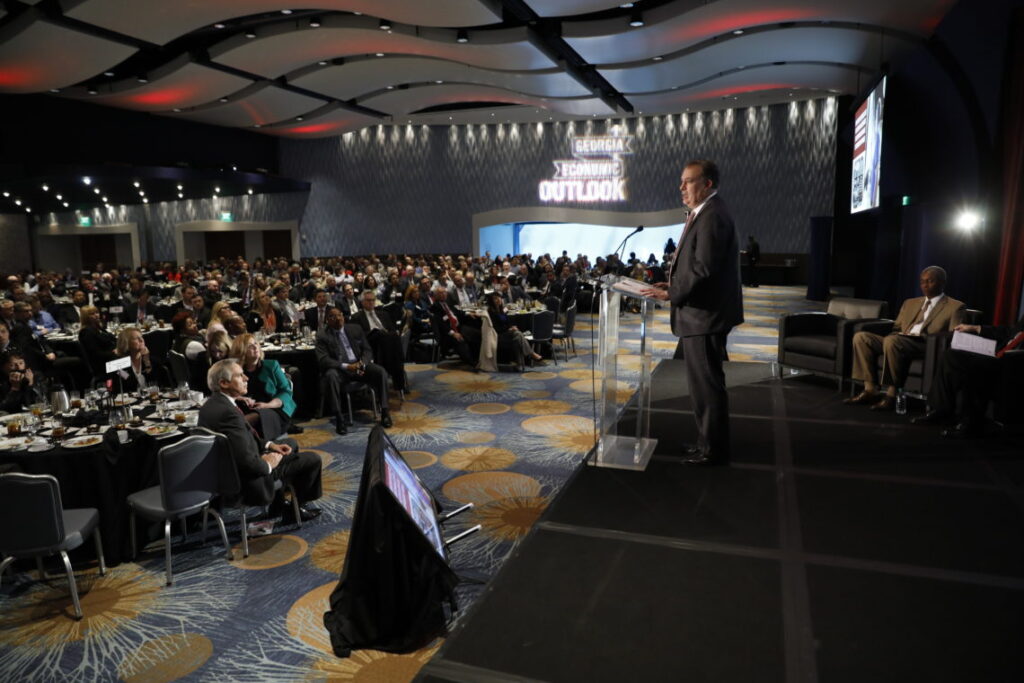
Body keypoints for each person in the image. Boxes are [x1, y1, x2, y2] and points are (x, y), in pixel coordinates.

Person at [642, 159, 743, 465]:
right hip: (703, 314)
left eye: (688, 181)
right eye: (681, 181)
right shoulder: (706, 212)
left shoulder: (712, 215)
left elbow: (704, 269)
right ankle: (706, 442)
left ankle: (713, 450)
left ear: (707, 183)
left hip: (704, 316)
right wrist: (670, 281)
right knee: (702, 385)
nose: (681, 187)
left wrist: (671, 292)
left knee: (707, 386)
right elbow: (696, 266)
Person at [199, 359, 321, 522]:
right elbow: (247, 462)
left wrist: (270, 445)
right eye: (240, 375)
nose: (246, 378)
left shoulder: (212, 404)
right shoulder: (229, 414)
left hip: (227, 469)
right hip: (249, 479)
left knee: (291, 444)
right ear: (224, 383)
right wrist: (269, 464)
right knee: (313, 459)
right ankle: (294, 508)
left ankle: (281, 506)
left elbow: (245, 437)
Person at [845, 266, 965, 410]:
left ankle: (891, 394)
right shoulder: (910, 303)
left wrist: (897, 339)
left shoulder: (955, 306)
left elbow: (954, 335)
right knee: (861, 337)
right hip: (899, 340)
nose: (925, 285)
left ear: (942, 282)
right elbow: (897, 328)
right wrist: (896, 336)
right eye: (922, 281)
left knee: (892, 341)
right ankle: (870, 389)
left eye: (930, 281)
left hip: (925, 345)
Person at [912, 314, 1024, 438]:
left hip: (1012, 365)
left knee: (969, 364)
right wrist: (976, 328)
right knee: (951, 354)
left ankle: (970, 423)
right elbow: (1009, 332)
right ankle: (941, 410)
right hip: (997, 354)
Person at [315, 307, 392, 435]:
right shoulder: (322, 335)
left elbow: (367, 350)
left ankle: (385, 411)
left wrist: (362, 363)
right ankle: (339, 418)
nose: (338, 319)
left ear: (343, 317)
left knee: (380, 372)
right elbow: (324, 360)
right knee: (331, 375)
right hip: (341, 371)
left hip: (359, 367)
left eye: (339, 315)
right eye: (333, 317)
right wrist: (346, 366)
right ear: (327, 320)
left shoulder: (355, 329)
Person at [230, 333, 300, 438]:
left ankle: (237, 429)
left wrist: (267, 405)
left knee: (257, 415)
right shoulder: (235, 370)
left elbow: (286, 392)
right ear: (241, 351)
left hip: (274, 410)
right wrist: (241, 398)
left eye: (255, 343)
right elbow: (226, 392)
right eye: (249, 345)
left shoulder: (272, 365)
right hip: (246, 409)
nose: (255, 347)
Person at [351, 290, 407, 391]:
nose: (371, 302)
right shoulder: (357, 317)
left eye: (373, 300)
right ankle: (398, 377)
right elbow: (358, 336)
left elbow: (392, 330)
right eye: (368, 300)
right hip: (370, 343)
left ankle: (392, 366)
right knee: (380, 333)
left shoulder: (383, 314)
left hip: (386, 344)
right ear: (362, 302)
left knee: (393, 335)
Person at [485, 292, 543, 371]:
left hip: (507, 334)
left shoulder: (502, 310)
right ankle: (531, 353)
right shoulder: (491, 312)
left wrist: (511, 327)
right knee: (517, 334)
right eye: (495, 298)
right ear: (491, 301)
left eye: (499, 297)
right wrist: (508, 329)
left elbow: (508, 323)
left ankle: (519, 364)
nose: (498, 299)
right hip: (498, 336)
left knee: (517, 338)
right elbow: (495, 328)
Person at [430, 286, 479, 367]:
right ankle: (472, 362)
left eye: (444, 292)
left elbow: (457, 312)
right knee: (459, 340)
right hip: (447, 333)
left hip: (458, 327)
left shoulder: (448, 303)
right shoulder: (435, 307)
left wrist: (468, 313)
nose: (443, 294)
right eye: (440, 293)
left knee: (475, 333)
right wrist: (453, 333)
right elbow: (441, 325)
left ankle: (477, 357)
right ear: (436, 296)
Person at [78, 305, 118, 378]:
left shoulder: (98, 327)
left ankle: (130, 380)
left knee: (130, 358)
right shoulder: (86, 332)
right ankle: (126, 381)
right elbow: (95, 354)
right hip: (102, 364)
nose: (96, 315)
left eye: (97, 312)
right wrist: (113, 352)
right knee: (125, 368)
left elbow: (113, 339)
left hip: (111, 359)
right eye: (92, 314)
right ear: (86, 317)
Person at [112, 327, 153, 395]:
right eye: (136, 338)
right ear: (126, 343)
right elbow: (128, 384)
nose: (141, 340)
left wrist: (147, 361)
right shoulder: (118, 364)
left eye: (141, 337)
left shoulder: (150, 358)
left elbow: (155, 383)